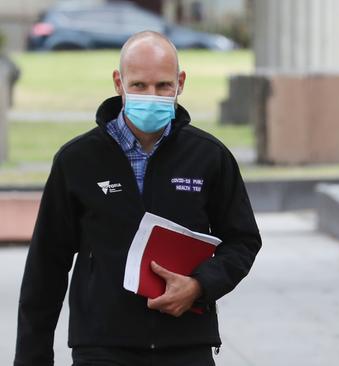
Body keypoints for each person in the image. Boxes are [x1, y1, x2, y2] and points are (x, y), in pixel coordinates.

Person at [14, 31, 262, 366]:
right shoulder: (77, 160)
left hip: (186, 346)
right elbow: (46, 267)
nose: (152, 96)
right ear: (119, 82)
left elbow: (243, 240)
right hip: (101, 349)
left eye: (163, 86)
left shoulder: (209, 157)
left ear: (181, 83)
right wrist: (32, 358)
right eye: (140, 86)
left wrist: (200, 285)